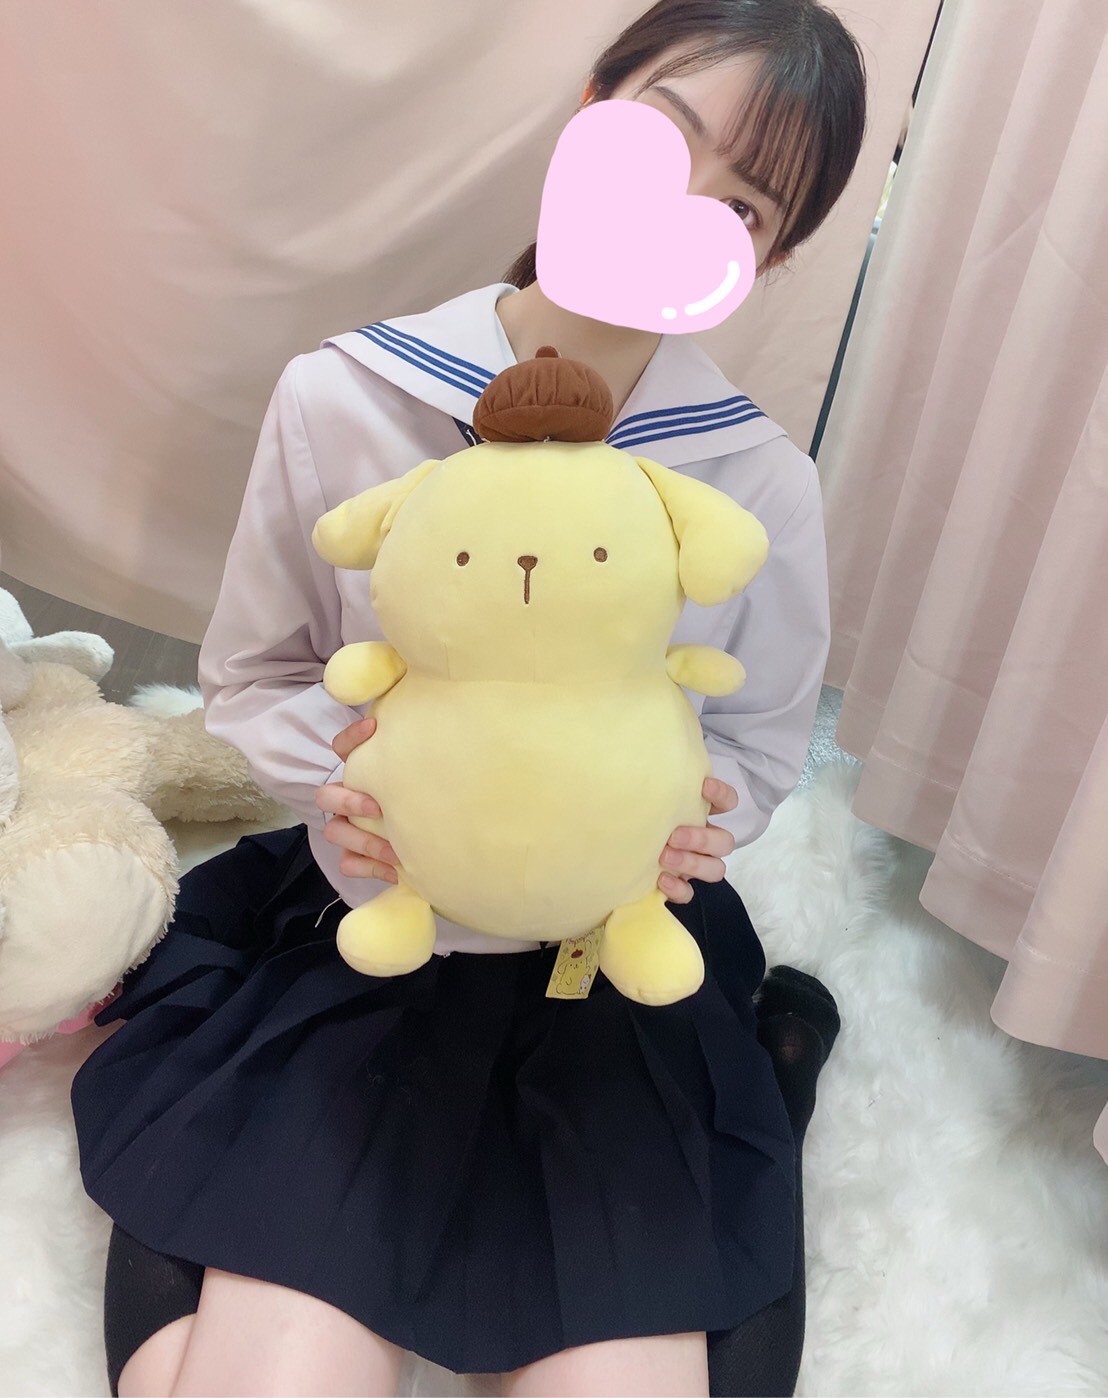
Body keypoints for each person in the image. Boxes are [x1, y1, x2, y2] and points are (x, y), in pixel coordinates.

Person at [70, 1, 867, 1394]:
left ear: (772, 258)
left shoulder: (760, 485)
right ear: (591, 106)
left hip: (610, 956)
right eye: (664, 139)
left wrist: (697, 822)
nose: (679, 208)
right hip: (377, 923)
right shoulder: (343, 396)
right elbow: (252, 673)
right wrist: (354, 782)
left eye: (742, 208)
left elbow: (756, 735)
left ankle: (756, 1070)